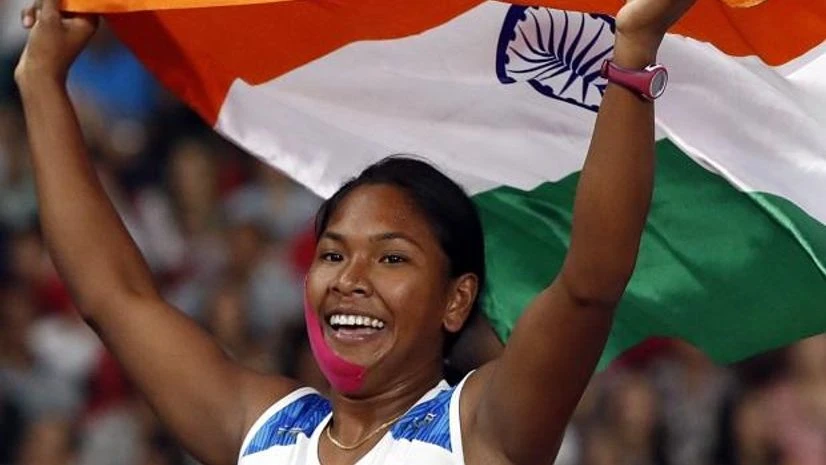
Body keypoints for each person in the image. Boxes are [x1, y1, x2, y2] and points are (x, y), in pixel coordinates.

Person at [14, 0, 697, 463]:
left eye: (391, 256)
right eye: (333, 252)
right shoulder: (265, 429)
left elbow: (590, 282)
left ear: (455, 300)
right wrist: (42, 77)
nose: (349, 277)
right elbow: (115, 298)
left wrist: (632, 53)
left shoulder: (483, 427)